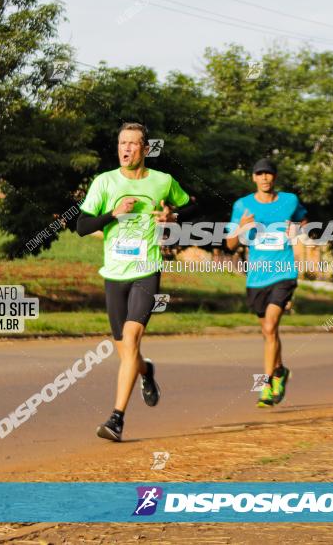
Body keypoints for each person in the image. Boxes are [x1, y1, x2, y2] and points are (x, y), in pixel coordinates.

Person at [76, 122, 194, 441]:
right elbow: (82, 226)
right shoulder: (104, 182)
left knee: (131, 340)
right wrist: (112, 214)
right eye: (121, 143)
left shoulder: (163, 181)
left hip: (147, 268)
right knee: (127, 353)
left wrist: (172, 217)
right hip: (114, 274)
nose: (125, 148)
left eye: (132, 143)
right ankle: (147, 372)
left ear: (146, 149)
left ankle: (116, 419)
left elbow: (190, 205)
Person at [226, 158, 307, 407]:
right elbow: (230, 245)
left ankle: (266, 386)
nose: (264, 178)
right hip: (257, 277)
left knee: (270, 327)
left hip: (283, 273)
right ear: (253, 178)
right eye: (259, 173)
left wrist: (297, 231)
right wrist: (240, 228)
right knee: (267, 331)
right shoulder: (243, 205)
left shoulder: (289, 201)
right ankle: (280, 370)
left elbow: (303, 220)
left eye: (268, 174)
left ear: (275, 177)